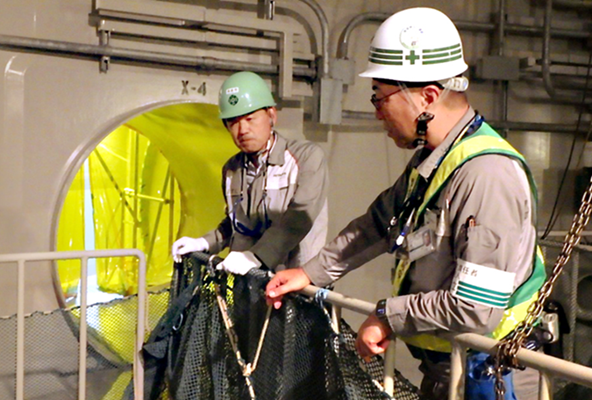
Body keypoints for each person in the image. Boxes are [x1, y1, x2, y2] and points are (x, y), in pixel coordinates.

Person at [265, 7, 546, 400]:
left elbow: (475, 308)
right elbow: (379, 224)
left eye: (381, 97)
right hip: (451, 369)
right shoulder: (434, 161)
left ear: (427, 97)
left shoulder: (487, 175)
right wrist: (311, 273)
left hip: (495, 377)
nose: (377, 111)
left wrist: (388, 315)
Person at [172, 70, 328, 276]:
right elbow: (236, 224)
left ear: (271, 115)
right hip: (249, 284)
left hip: (295, 284)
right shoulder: (232, 170)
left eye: (250, 118)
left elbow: (298, 220)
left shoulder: (306, 158)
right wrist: (204, 242)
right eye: (233, 122)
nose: (242, 129)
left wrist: (256, 256)